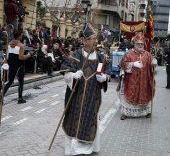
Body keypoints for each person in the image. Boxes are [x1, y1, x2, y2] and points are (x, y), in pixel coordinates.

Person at [60, 23, 111, 156]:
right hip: (76, 96)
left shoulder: (100, 57)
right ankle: (75, 149)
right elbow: (65, 71)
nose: (95, 41)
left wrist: (104, 78)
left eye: (96, 39)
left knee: (90, 121)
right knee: (74, 122)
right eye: (93, 39)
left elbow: (107, 71)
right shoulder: (76, 55)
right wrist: (72, 75)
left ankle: (87, 149)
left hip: (93, 97)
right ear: (85, 41)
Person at [118, 32, 157, 120]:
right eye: (138, 43)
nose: (140, 45)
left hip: (144, 81)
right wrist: (132, 64)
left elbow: (152, 64)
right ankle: (125, 113)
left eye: (141, 44)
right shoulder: (129, 54)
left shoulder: (147, 54)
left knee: (144, 95)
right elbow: (123, 64)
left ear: (144, 44)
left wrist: (154, 63)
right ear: (134, 44)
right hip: (132, 81)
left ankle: (147, 112)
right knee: (129, 95)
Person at [3, 30, 31, 104]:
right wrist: (27, 56)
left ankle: (1, 96)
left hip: (11, 65)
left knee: (10, 82)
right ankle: (20, 98)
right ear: (19, 37)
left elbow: (8, 56)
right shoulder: (21, 45)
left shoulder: (9, 44)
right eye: (21, 35)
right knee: (21, 82)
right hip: (19, 65)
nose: (21, 37)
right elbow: (21, 57)